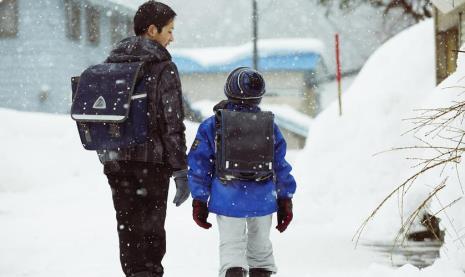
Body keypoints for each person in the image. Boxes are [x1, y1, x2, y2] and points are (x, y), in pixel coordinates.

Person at [101, 2, 188, 277]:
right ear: (152, 30)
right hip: (152, 164)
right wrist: (180, 170)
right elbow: (172, 123)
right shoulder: (164, 67)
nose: (172, 38)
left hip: (117, 163)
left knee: (128, 229)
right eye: (169, 31)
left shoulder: (111, 62)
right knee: (151, 233)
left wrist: (108, 157)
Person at [187, 67, 297, 277]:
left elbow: (199, 164)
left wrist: (199, 199)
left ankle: (234, 272)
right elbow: (280, 165)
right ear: (259, 97)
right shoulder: (268, 125)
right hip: (263, 199)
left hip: (227, 198)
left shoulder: (213, 125)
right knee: (261, 252)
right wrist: (285, 199)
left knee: (232, 252)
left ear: (228, 90)